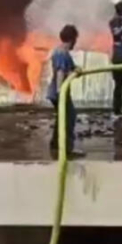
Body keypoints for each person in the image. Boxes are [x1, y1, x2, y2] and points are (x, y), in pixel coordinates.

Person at [47, 24, 85, 158]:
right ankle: (68, 149)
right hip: (59, 92)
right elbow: (60, 73)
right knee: (70, 118)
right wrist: (60, 93)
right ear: (72, 39)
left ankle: (55, 144)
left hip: (56, 92)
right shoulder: (62, 53)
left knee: (61, 118)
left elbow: (69, 69)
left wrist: (76, 70)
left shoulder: (59, 51)